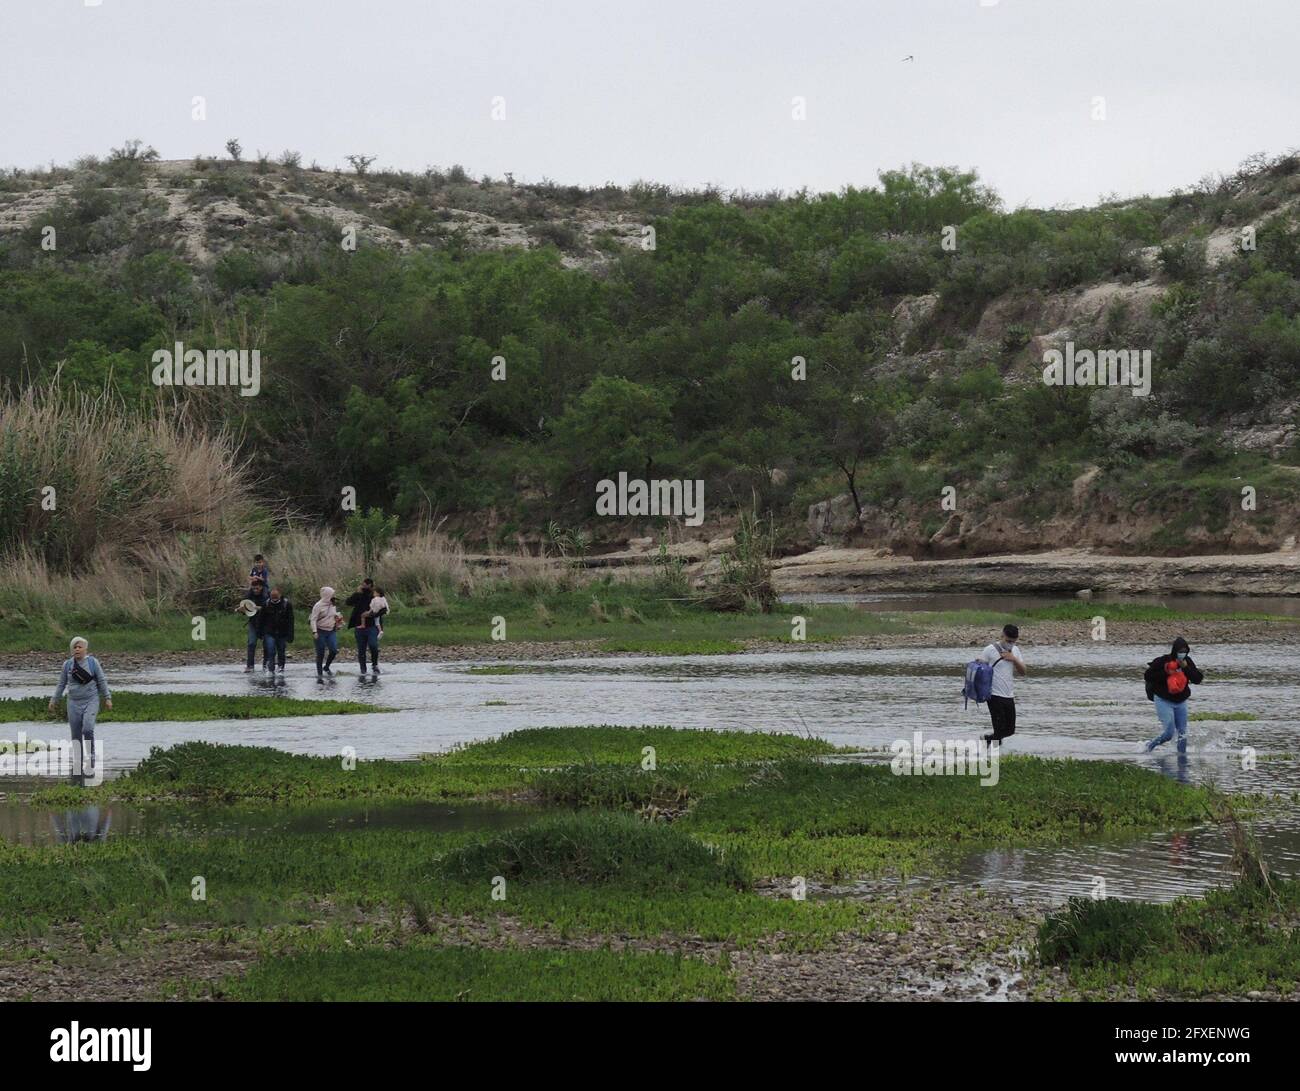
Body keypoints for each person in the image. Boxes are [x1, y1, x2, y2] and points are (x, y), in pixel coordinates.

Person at [49, 636, 112, 775]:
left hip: (91, 700)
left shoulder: (92, 662)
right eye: (75, 647)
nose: (77, 649)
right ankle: (78, 761)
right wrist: (54, 699)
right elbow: (61, 683)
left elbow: (101, 680)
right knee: (76, 734)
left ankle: (91, 757)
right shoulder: (67, 665)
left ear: (85, 649)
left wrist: (107, 698)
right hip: (73, 702)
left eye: (80, 647)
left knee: (88, 729)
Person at [1144, 637, 1205, 753]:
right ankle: (1149, 746)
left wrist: (1185, 668)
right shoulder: (1163, 661)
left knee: (1183, 734)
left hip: (1181, 701)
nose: (1182, 654)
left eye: (1185, 651)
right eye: (1180, 651)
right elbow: (1148, 676)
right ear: (1174, 650)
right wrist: (1166, 672)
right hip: (1163, 700)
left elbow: (1198, 679)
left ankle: (1182, 760)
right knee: (1169, 733)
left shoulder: (1187, 662)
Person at [981, 624, 1026, 745]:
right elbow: (981, 671)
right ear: (1002, 635)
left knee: (1010, 730)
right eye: (1008, 640)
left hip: (1009, 695)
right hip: (994, 695)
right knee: (999, 730)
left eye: (1013, 641)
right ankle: (995, 756)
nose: (1010, 643)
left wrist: (1014, 659)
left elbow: (1023, 672)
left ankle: (987, 740)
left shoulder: (1015, 650)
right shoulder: (989, 649)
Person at [257, 586, 295, 675]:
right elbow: (260, 619)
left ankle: (281, 667)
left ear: (280, 595)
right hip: (269, 632)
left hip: (282, 633)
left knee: (281, 650)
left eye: (276, 597)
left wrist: (290, 634)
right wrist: (259, 632)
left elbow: (291, 620)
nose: (274, 599)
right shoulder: (265, 604)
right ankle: (270, 669)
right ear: (270, 596)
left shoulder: (287, 604)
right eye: (272, 597)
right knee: (270, 650)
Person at [234, 576, 269, 672]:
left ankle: (266, 666)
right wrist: (240, 610)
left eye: (257, 588)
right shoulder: (249, 594)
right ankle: (250, 666)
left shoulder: (267, 595)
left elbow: (271, 609)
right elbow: (245, 607)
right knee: (251, 643)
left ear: (261, 587)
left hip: (265, 624)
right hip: (253, 623)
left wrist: (260, 608)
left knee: (266, 644)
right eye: (253, 588)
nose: (255, 590)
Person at [345, 578, 378, 677]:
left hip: (372, 625)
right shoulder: (358, 595)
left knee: (373, 645)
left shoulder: (374, 597)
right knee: (361, 649)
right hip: (359, 627)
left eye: (365, 585)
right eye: (362, 585)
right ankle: (363, 670)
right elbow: (348, 602)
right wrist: (357, 592)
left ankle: (374, 664)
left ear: (370, 585)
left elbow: (382, 608)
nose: (363, 587)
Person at [310, 585, 341, 681]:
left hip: (331, 631)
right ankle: (319, 674)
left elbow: (334, 615)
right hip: (320, 631)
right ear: (327, 595)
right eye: (332, 594)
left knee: (334, 650)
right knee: (320, 652)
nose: (334, 596)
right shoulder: (318, 605)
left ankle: (326, 666)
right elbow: (313, 619)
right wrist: (314, 631)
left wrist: (338, 621)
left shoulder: (333, 604)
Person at [367, 586, 389, 674]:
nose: (373, 594)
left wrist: (372, 612)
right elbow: (385, 608)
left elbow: (373, 606)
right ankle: (380, 630)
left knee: (377, 623)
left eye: (375, 592)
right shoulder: (383, 599)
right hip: (377, 616)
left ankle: (380, 631)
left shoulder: (375, 599)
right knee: (378, 623)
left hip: (375, 615)